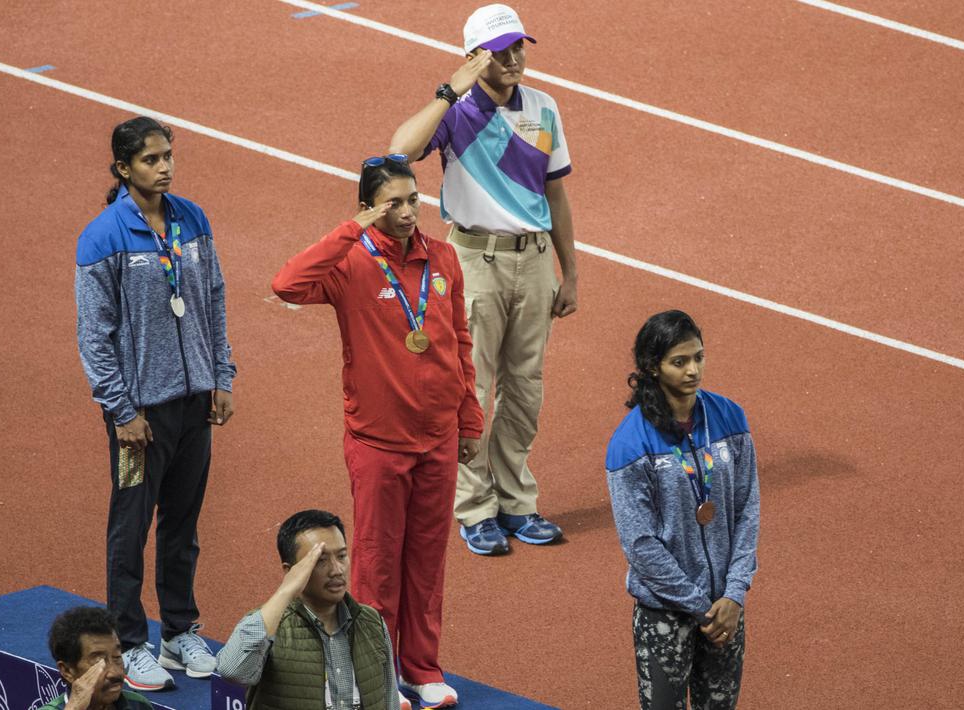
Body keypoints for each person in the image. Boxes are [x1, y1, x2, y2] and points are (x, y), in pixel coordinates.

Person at [271, 155, 481, 708]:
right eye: (393, 204)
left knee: (427, 562)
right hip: (379, 442)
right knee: (376, 563)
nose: (408, 212)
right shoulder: (349, 263)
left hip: (438, 437)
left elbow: (459, 341)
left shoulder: (443, 259)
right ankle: (375, 674)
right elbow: (287, 284)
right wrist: (353, 229)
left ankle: (421, 667)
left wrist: (469, 418)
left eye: (414, 200)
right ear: (368, 207)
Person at [388, 3, 577, 556]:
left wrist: (570, 272)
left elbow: (556, 194)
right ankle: (474, 507)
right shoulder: (455, 113)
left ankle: (517, 500)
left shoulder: (543, 108)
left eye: (519, 47)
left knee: (525, 387)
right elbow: (398, 152)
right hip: (474, 262)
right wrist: (450, 90)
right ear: (474, 57)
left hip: (534, 259)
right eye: (500, 51)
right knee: (469, 387)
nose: (515, 58)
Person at [75, 116, 237, 691]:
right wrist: (121, 411)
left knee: (182, 524)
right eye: (151, 159)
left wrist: (221, 375)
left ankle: (177, 631)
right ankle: (129, 640)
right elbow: (93, 335)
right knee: (131, 528)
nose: (164, 167)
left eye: (168, 156)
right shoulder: (103, 237)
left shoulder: (192, 219)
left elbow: (213, 299)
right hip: (139, 414)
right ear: (123, 168)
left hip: (194, 403)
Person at [604, 310, 761, 709]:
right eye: (679, 362)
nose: (693, 370)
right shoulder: (630, 443)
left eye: (699, 357)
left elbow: (747, 509)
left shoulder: (730, 417)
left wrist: (734, 593)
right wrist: (699, 606)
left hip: (725, 608)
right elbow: (640, 544)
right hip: (666, 613)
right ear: (652, 367)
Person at [216, 510, 399, 710]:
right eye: (320, 560)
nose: (337, 570)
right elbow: (232, 671)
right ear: (291, 571)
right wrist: (286, 590)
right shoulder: (268, 627)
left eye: (342, 556)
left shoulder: (371, 622)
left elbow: (390, 700)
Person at [39, 606, 155, 710]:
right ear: (67, 671)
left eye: (117, 657)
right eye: (99, 662)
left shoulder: (139, 705)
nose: (115, 673)